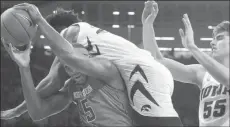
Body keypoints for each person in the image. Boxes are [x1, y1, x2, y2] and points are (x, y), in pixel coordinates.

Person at [10, 2, 182, 126]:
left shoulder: (77, 40)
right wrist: (23, 68)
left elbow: (54, 76)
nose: (63, 66)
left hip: (144, 74)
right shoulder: (74, 83)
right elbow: (38, 111)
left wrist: (39, 20)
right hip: (152, 69)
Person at [1, 9, 134, 126]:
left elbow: (51, 81)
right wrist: (24, 68)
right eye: (67, 67)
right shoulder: (72, 86)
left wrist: (17, 110)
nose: (59, 47)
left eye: (62, 37)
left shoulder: (106, 67)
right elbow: (37, 113)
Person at [142, 1, 229, 126]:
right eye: (213, 39)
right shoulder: (202, 72)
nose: (212, 43)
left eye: (219, 38)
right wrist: (147, 24)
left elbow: (226, 78)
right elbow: (157, 60)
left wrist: (192, 47)